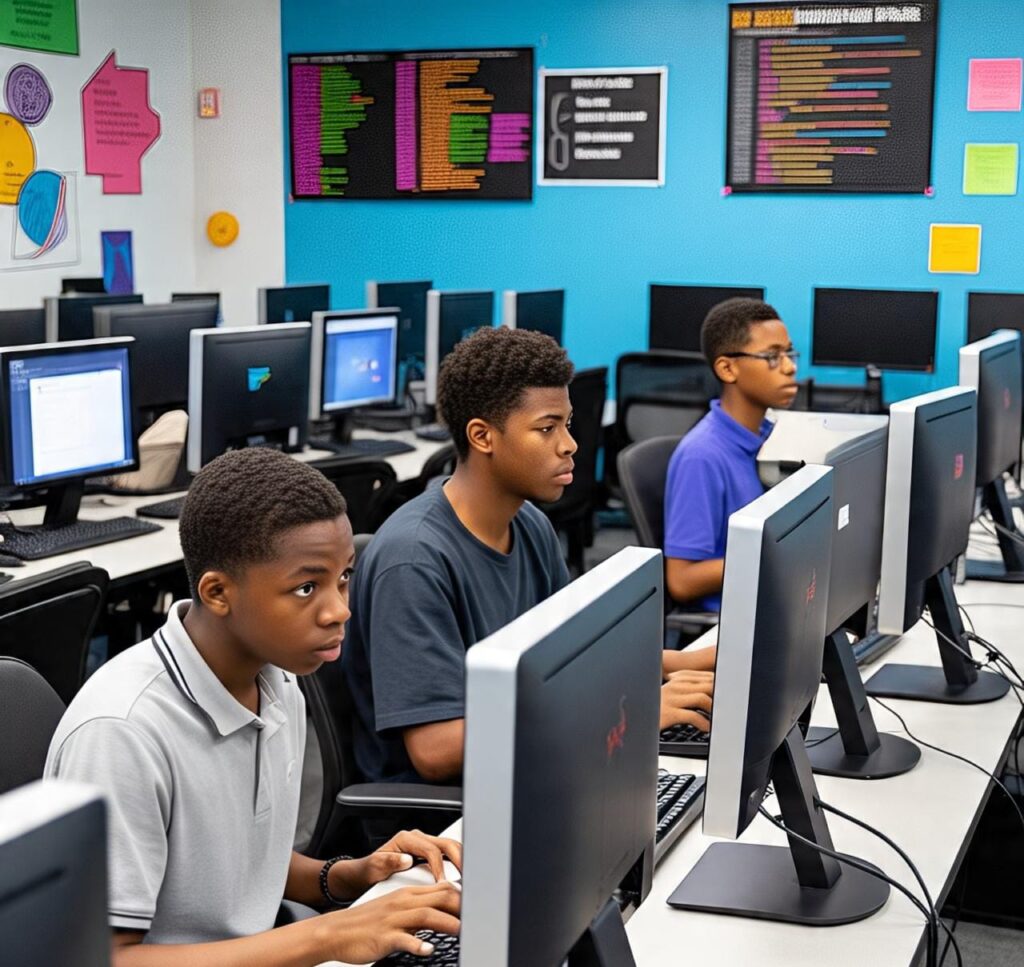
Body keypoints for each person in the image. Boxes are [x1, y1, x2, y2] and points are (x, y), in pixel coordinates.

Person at [45, 447, 460, 966]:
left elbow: (241, 868)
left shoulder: (278, 680)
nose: (340, 610)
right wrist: (329, 936)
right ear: (218, 593)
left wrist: (349, 876)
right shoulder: (122, 733)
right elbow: (107, 959)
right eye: (306, 587)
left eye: (343, 578)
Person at [343, 326, 715, 787]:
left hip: (530, 768)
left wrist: (693, 662)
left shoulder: (529, 524)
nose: (569, 444)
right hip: (452, 808)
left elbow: (572, 659)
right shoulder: (414, 559)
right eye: (546, 428)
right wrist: (627, 712)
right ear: (482, 436)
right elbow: (435, 751)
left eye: (567, 424)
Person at [664, 297, 800, 610]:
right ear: (727, 368)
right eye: (772, 356)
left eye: (789, 353)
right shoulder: (702, 456)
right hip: (734, 619)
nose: (790, 367)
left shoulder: (768, 436)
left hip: (773, 601)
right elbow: (681, 581)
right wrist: (779, 555)